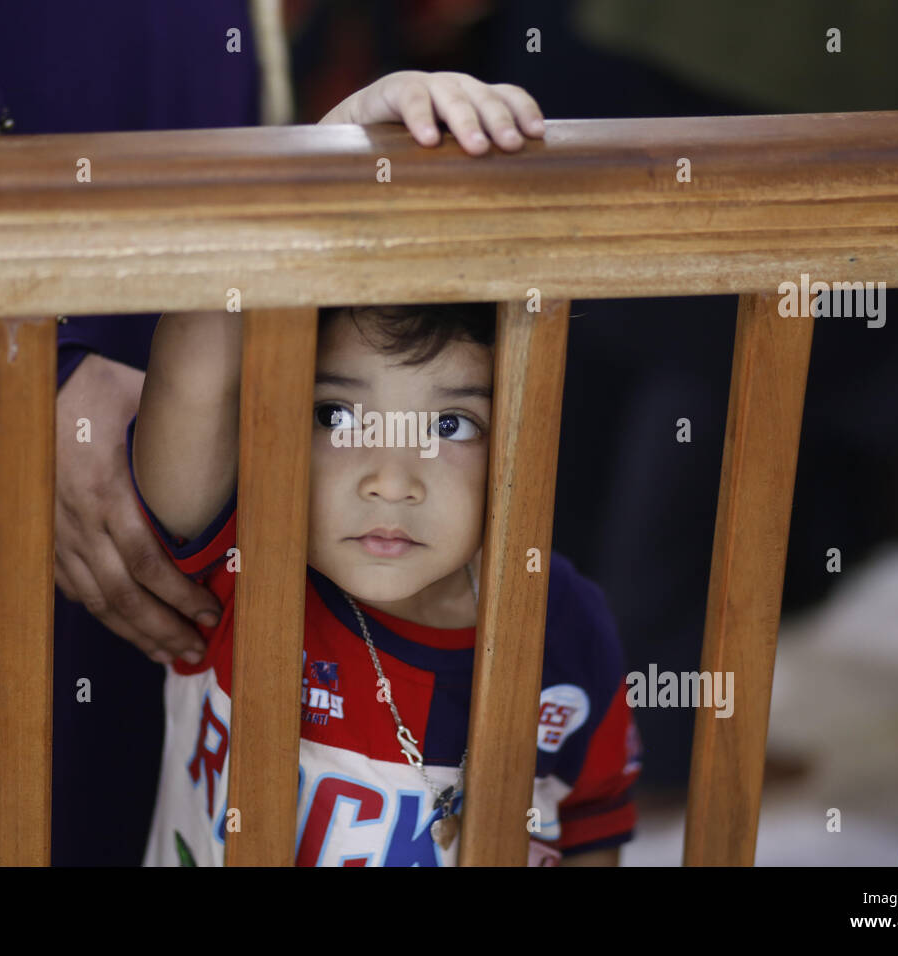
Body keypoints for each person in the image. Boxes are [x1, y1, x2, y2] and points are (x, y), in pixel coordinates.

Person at [128, 73, 640, 863]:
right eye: (337, 416)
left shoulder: (569, 634)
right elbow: (195, 375)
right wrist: (324, 159)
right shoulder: (236, 560)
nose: (392, 481)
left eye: (449, 423)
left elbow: (593, 831)